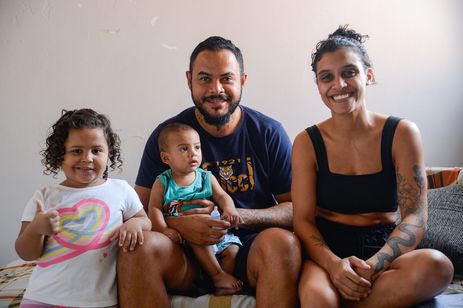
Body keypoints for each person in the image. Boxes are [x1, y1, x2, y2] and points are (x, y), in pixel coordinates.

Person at [118, 36, 301, 307]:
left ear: (243, 81)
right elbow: (138, 210)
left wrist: (233, 218)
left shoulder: (268, 133)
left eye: (227, 78)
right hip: (181, 254)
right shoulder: (168, 135)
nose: (216, 89)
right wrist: (179, 225)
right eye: (205, 78)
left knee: (284, 243)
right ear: (189, 80)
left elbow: (296, 208)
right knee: (136, 247)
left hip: (244, 251)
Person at [292, 25, 454, 307]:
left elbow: (415, 215)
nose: (339, 85)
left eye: (349, 72)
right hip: (328, 251)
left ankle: (350, 297)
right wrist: (333, 267)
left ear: (368, 74)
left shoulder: (402, 133)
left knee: (438, 267)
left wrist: (374, 265)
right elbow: (303, 221)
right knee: (318, 298)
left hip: (385, 249)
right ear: (318, 85)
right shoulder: (307, 142)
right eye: (326, 77)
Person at [15, 109, 151, 308]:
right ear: (60, 154)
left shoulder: (121, 190)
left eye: (96, 150)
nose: (87, 158)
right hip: (43, 297)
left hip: (98, 302)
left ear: (109, 154)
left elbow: (146, 220)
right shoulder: (45, 196)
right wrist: (36, 230)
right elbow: (25, 253)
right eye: (76, 151)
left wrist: (135, 223)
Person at [149, 122, 244, 294]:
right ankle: (217, 275)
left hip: (213, 228)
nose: (193, 153)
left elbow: (222, 196)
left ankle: (221, 282)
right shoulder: (163, 181)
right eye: (184, 149)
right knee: (199, 237)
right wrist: (163, 228)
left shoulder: (206, 177)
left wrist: (230, 209)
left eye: (197, 147)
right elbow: (154, 208)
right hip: (187, 234)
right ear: (166, 158)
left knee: (232, 250)